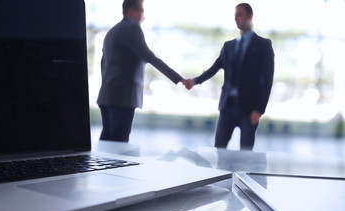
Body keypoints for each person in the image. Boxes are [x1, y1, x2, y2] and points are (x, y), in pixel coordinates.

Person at [97, 0, 190, 142]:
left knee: (107, 140)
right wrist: (179, 79)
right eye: (141, 10)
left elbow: (103, 63)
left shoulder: (112, 31)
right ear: (131, 11)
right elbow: (150, 57)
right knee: (118, 143)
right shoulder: (132, 28)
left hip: (107, 95)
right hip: (123, 97)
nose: (143, 15)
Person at [184, 3, 274, 150]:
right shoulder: (229, 46)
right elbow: (214, 69)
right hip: (227, 107)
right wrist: (194, 81)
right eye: (235, 15)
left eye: (239, 14)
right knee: (219, 148)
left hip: (249, 109)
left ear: (250, 16)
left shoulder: (264, 45)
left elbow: (268, 80)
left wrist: (259, 109)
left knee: (246, 153)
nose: (236, 18)